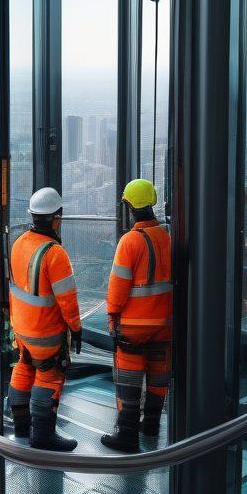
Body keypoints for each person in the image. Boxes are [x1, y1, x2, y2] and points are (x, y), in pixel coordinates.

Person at [7, 187, 83, 452]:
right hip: (46, 332)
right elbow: (67, 300)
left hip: (21, 330)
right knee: (49, 376)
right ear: (56, 217)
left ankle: (20, 428)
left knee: (24, 367)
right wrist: (76, 328)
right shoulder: (54, 253)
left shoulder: (18, 244)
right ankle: (43, 434)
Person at [102, 178, 172, 453]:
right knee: (157, 375)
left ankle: (127, 434)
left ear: (129, 206)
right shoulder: (167, 236)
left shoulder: (129, 241)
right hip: (165, 324)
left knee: (128, 379)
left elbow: (118, 287)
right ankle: (152, 426)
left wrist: (112, 318)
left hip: (133, 326)